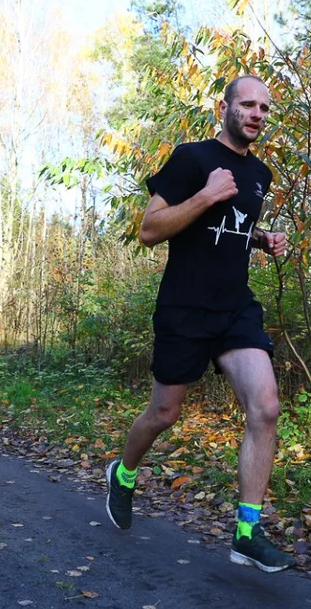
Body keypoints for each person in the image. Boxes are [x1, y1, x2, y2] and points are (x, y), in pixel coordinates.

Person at [105, 76, 295, 573]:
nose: (256, 114)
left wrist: (261, 239)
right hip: (184, 308)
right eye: (247, 104)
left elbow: (231, 229)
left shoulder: (261, 175)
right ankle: (123, 474)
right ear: (224, 107)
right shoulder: (192, 159)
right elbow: (150, 230)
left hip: (235, 307)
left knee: (267, 406)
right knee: (164, 414)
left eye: (264, 108)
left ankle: (247, 533)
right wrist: (206, 196)